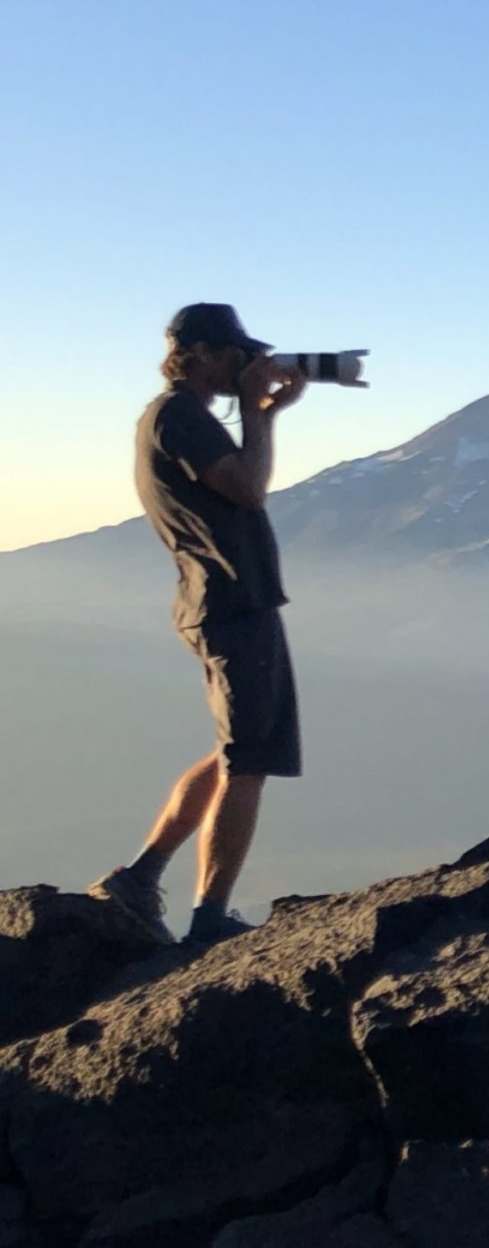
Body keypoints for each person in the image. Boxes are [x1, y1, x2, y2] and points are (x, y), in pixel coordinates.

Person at [90, 304, 308, 949]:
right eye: (237, 356)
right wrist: (261, 416)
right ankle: (209, 918)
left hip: (221, 602)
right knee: (249, 762)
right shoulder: (179, 416)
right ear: (206, 354)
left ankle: (141, 876)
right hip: (230, 606)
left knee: (235, 750)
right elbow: (247, 487)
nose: (246, 366)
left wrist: (258, 411)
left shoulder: (175, 418)